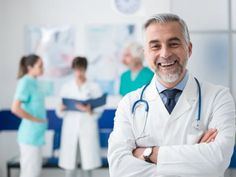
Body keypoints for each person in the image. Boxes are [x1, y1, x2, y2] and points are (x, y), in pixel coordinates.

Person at [108, 13, 236, 177]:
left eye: (173, 44)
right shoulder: (129, 104)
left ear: (188, 49)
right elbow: (119, 169)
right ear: (145, 53)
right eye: (155, 46)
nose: (165, 54)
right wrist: (195, 158)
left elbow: (217, 160)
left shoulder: (219, 97)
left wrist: (147, 154)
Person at [57, 56, 103, 177]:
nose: (78, 72)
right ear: (73, 70)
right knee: (69, 168)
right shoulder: (66, 87)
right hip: (70, 128)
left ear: (85, 69)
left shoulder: (94, 87)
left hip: (87, 128)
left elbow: (99, 109)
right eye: (76, 69)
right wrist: (61, 108)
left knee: (87, 167)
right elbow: (59, 112)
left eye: (81, 69)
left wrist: (90, 110)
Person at [11, 54, 50, 177]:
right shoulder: (25, 82)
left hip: (37, 136)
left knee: (34, 172)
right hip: (29, 136)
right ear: (30, 67)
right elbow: (15, 108)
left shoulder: (35, 82)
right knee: (30, 173)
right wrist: (36, 120)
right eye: (40, 66)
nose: (43, 68)